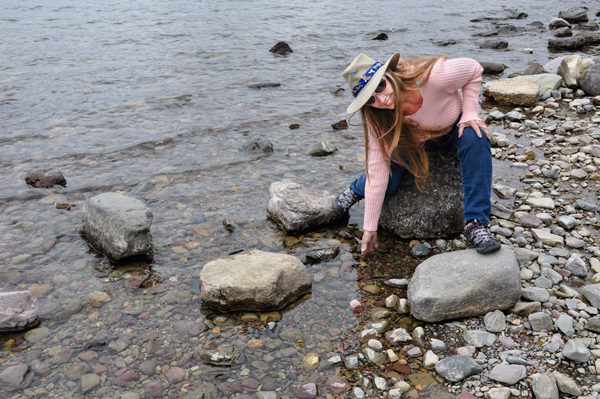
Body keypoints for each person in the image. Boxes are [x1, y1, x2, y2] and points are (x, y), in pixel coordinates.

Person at [333, 53, 501, 255]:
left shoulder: (435, 77)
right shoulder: (377, 118)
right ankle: (356, 190)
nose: (381, 98)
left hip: (450, 129)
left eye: (379, 86)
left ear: (390, 74)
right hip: (410, 141)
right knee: (389, 181)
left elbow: (474, 68)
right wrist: (369, 227)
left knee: (477, 136)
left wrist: (470, 113)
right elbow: (378, 169)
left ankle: (476, 224)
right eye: (370, 99)